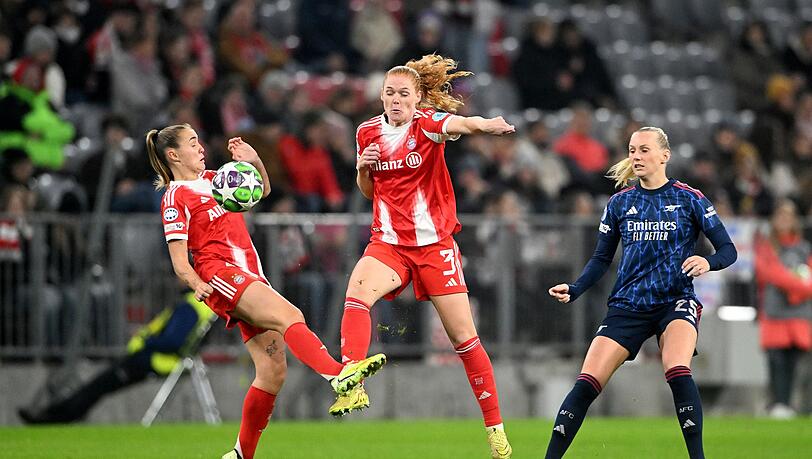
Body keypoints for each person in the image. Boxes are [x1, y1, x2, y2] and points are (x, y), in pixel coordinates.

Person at [145, 125, 386, 459]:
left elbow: (263, 190)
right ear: (173, 155)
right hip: (221, 275)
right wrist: (198, 284)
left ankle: (241, 454)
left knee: (272, 373)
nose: (201, 147)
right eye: (192, 143)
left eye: (199, 140)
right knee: (291, 316)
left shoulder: (218, 178)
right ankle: (338, 376)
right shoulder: (176, 196)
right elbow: (180, 262)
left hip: (249, 276)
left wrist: (255, 161)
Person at [331, 54, 515, 459]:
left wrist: (485, 125)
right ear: (381, 96)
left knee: (464, 340)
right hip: (390, 243)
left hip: (434, 247)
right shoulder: (366, 133)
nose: (396, 100)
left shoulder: (427, 125)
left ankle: (496, 431)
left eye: (404, 94)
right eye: (389, 93)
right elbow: (370, 192)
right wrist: (362, 170)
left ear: (417, 99)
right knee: (357, 291)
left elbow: (460, 124)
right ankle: (352, 377)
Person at [546, 127, 737, 459]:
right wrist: (576, 288)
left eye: (644, 150)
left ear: (665, 155)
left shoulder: (689, 198)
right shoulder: (620, 203)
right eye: (632, 150)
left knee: (677, 369)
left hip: (674, 301)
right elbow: (601, 258)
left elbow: (728, 250)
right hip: (628, 304)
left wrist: (708, 262)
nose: (636, 156)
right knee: (586, 383)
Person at [17, 291, 215, 424]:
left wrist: (145, 340)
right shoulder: (204, 307)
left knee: (99, 385)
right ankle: (59, 413)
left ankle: (55, 416)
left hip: (153, 360)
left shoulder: (190, 305)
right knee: (99, 385)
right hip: (161, 360)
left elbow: (173, 341)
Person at [754, 200, 812, 419]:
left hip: (799, 316)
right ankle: (778, 404)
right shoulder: (766, 246)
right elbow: (770, 274)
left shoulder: (804, 247)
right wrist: (799, 288)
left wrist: (796, 291)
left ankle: (799, 406)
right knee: (776, 362)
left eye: (789, 216)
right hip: (774, 314)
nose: (784, 220)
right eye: (780, 216)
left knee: (798, 364)